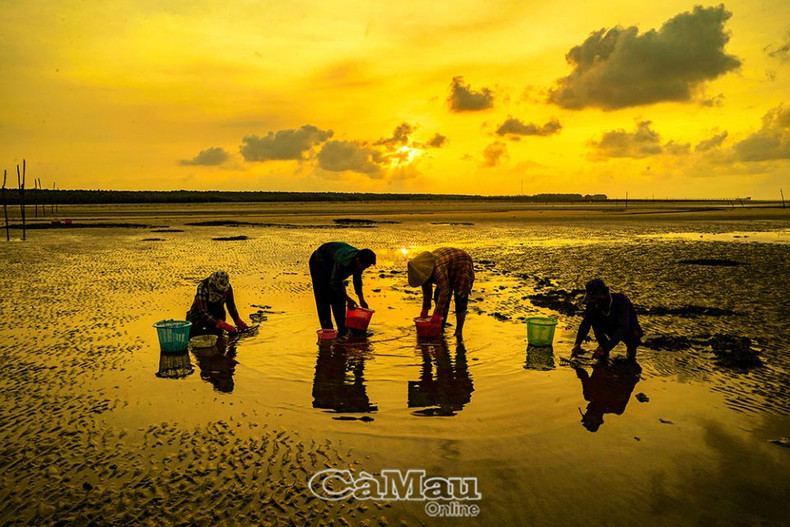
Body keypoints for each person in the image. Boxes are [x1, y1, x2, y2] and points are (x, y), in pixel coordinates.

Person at [309, 242, 376, 336]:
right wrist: (349, 300)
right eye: (364, 266)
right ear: (357, 260)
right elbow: (334, 282)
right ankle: (328, 330)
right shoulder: (344, 261)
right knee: (324, 296)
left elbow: (357, 280)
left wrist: (362, 300)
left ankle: (342, 329)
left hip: (333, 260)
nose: (364, 268)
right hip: (319, 262)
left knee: (338, 297)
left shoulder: (360, 261)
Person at [408, 248, 475, 340]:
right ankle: (441, 328)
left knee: (460, 298)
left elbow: (445, 291)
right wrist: (425, 309)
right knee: (437, 297)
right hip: (449, 266)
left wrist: (437, 313)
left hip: (462, 264)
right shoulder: (423, 272)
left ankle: (458, 331)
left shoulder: (438, 270)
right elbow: (427, 291)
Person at [571, 279, 642, 361]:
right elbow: (586, 323)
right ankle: (603, 354)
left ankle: (631, 359)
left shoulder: (621, 301)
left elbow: (623, 327)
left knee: (633, 339)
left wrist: (607, 347)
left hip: (627, 327)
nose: (593, 301)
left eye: (595, 298)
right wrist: (577, 343)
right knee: (595, 322)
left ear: (605, 294)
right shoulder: (592, 304)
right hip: (605, 325)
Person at [574, 360, 642, 432]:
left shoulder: (588, 395)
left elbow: (583, 375)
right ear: (598, 419)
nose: (586, 412)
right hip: (627, 369)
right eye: (588, 416)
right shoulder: (616, 407)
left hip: (607, 363)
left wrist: (575, 366)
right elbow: (629, 384)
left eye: (585, 414)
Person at [186, 270, 249, 337]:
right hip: (199, 316)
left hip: (217, 313)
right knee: (198, 333)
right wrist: (220, 324)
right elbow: (203, 312)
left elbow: (231, 305)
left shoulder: (227, 287)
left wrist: (237, 319)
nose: (221, 293)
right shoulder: (203, 288)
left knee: (218, 335)